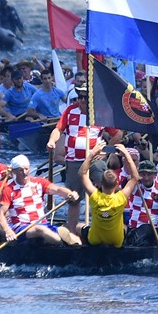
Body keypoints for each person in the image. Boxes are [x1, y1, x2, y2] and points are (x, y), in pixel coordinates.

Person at [46, 85, 122, 234]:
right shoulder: (70, 111)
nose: (81, 100)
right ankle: (74, 234)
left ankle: (107, 229)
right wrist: (52, 141)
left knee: (106, 191)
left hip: (94, 159)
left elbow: (118, 134)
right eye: (79, 97)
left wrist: (106, 151)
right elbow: (58, 129)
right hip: (74, 161)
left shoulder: (101, 113)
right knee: (73, 199)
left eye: (85, 97)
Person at [0, 154, 79, 246]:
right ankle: (61, 243)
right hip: (21, 228)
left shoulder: (39, 182)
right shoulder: (8, 189)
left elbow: (57, 190)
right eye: (20, 170)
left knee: (72, 233)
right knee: (40, 230)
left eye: (26, 169)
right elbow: (0, 215)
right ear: (14, 171)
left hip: (43, 224)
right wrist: (8, 231)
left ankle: (73, 242)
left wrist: (69, 194)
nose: (24, 173)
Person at [78, 143, 139, 247]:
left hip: (95, 240)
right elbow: (135, 177)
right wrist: (126, 154)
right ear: (116, 184)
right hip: (116, 241)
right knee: (125, 227)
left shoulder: (95, 196)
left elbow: (82, 174)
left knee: (78, 226)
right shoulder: (121, 198)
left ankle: (80, 245)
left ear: (100, 183)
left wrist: (92, 154)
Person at [125, 160, 158, 249]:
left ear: (155, 175)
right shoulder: (134, 185)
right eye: (143, 174)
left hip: (154, 229)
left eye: (149, 174)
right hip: (133, 227)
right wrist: (127, 179)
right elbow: (122, 188)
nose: (146, 178)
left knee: (144, 229)